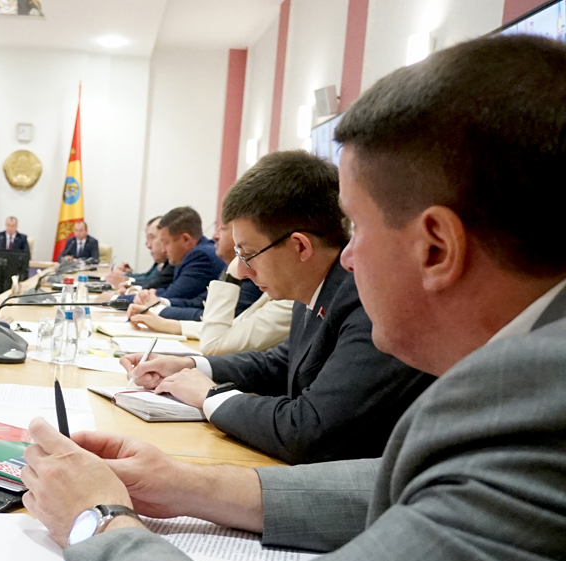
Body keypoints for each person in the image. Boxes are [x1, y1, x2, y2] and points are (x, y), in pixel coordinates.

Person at [20, 34, 566, 561]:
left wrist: (96, 521)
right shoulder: (529, 376)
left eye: (358, 227)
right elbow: (399, 486)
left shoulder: (542, 407)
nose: (349, 257)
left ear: (436, 247)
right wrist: (186, 484)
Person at [123, 151, 433, 464]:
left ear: (300, 246)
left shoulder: (368, 299)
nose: (242, 271)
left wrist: (210, 396)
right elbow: (280, 363)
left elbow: (308, 429)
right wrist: (190, 366)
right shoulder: (314, 287)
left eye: (247, 254)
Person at [128, 217, 293, 357]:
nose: (214, 236)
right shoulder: (275, 284)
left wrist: (231, 275)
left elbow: (214, 343)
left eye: (223, 229)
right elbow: (234, 327)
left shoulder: (203, 255)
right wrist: (165, 324)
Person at [119, 206, 225, 307]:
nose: (163, 250)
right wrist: (144, 294)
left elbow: (170, 296)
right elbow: (168, 291)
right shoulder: (192, 254)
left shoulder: (201, 257)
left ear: (185, 239)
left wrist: (118, 299)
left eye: (166, 243)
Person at [107, 216, 174, 291]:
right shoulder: (164, 260)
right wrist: (126, 276)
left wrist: (126, 281)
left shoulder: (174, 263)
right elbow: (148, 277)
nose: (148, 245)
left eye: (151, 237)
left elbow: (153, 287)